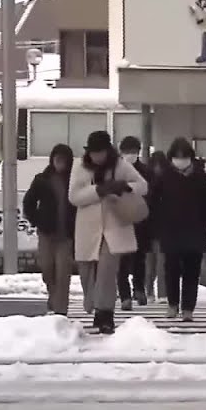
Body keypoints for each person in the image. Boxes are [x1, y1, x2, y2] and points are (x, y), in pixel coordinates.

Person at [69, 130, 148, 335]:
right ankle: (95, 306)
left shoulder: (120, 166)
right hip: (88, 227)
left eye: (100, 152)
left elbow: (143, 186)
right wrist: (98, 191)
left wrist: (123, 187)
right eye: (93, 153)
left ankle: (106, 315)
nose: (96, 157)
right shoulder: (80, 167)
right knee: (87, 271)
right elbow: (74, 196)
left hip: (113, 227)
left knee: (106, 271)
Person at [149, 137, 206, 321]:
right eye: (177, 156)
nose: (180, 160)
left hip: (195, 231)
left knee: (192, 272)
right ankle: (172, 304)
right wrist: (158, 223)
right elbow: (153, 201)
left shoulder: (200, 176)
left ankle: (188, 308)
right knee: (171, 270)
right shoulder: (165, 176)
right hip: (171, 231)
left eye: (184, 156)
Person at [22, 143, 76, 316]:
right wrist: (36, 220)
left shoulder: (73, 180)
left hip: (66, 235)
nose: (60, 163)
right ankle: (53, 296)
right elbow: (28, 202)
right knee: (47, 267)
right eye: (57, 159)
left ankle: (61, 309)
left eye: (63, 160)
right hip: (46, 233)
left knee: (63, 272)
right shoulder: (42, 179)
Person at [117, 136, 152, 309]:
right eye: (127, 152)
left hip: (140, 221)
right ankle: (125, 295)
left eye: (133, 151)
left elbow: (151, 196)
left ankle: (139, 288)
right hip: (120, 221)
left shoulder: (145, 171)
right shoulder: (116, 171)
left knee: (139, 258)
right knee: (122, 260)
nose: (130, 155)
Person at [144, 151, 169, 302]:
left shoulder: (148, 182)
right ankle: (158, 293)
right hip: (158, 227)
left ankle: (153, 292)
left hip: (152, 227)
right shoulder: (166, 182)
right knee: (157, 263)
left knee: (154, 263)